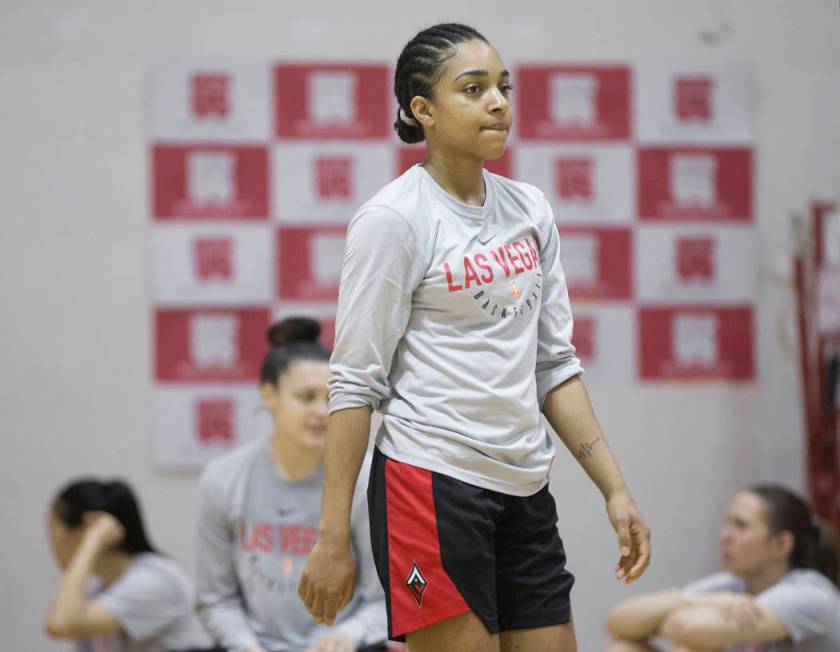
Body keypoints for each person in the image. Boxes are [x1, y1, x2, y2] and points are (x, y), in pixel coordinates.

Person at [297, 22, 651, 652]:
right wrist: (331, 539)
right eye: (473, 88)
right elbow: (353, 384)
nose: (498, 102)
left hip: (524, 486)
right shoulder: (393, 220)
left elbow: (554, 365)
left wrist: (614, 488)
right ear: (421, 110)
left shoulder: (530, 209)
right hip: (430, 484)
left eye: (502, 86)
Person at [195, 318, 388, 652]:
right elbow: (215, 599)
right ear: (269, 394)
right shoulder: (223, 479)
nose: (321, 411)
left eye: (331, 398)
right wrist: (246, 646)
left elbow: (383, 597)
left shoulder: (365, 479)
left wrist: (349, 636)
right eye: (306, 397)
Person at [605, 485, 840, 651]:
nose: (724, 536)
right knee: (624, 649)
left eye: (740, 525)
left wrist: (669, 617)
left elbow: (688, 628)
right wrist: (700, 602)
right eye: (726, 524)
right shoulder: (733, 585)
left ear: (781, 544)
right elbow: (618, 620)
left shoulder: (811, 595)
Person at [44, 477, 213, 652]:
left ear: (87, 527)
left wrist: (91, 543)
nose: (50, 540)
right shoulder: (96, 587)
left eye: (52, 527)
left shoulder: (154, 581)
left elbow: (61, 624)